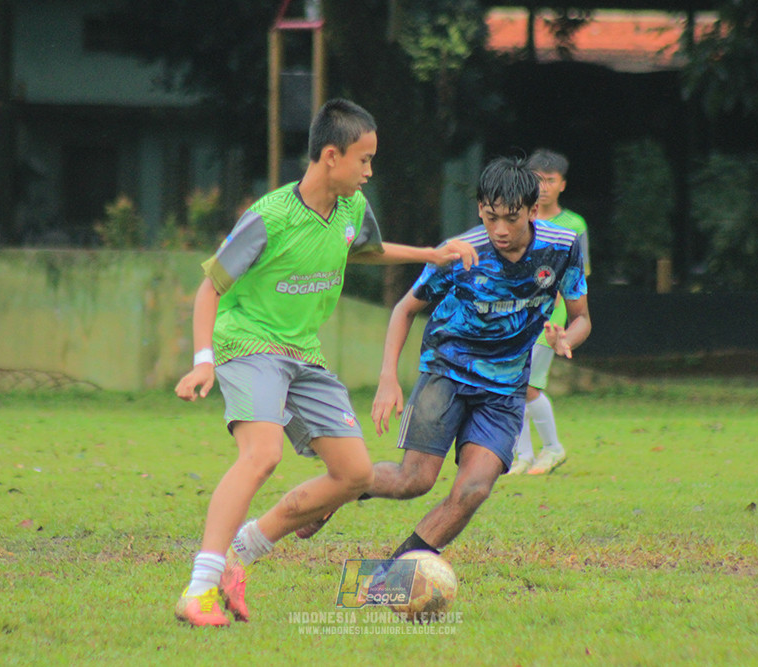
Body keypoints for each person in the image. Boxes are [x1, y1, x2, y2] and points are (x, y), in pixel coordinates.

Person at [172, 98, 477, 627]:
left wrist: (431, 254)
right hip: (249, 345)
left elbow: (362, 250)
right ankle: (197, 589)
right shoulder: (269, 218)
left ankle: (242, 553)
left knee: (355, 473)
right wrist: (203, 362)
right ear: (330, 156)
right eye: (364, 159)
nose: (370, 171)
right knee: (261, 455)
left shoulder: (351, 210)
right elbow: (209, 290)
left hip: (302, 355)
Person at [299, 155, 590, 560]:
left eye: (511, 218)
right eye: (490, 217)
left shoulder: (562, 248)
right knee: (413, 481)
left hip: (505, 387)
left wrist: (564, 340)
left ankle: (397, 571)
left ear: (533, 210)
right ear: (479, 210)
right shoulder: (460, 253)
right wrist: (388, 378)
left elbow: (581, 319)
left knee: (473, 490)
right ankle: (339, 490)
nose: (500, 230)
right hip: (446, 370)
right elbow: (405, 309)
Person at [508, 148, 590, 475]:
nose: (542, 187)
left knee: (527, 386)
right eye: (537, 180)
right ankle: (523, 456)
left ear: (562, 185)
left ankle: (553, 448)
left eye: (550, 180)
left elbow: (577, 277)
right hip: (518, 316)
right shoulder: (518, 218)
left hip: (550, 319)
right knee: (514, 384)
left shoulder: (573, 225)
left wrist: (553, 315)